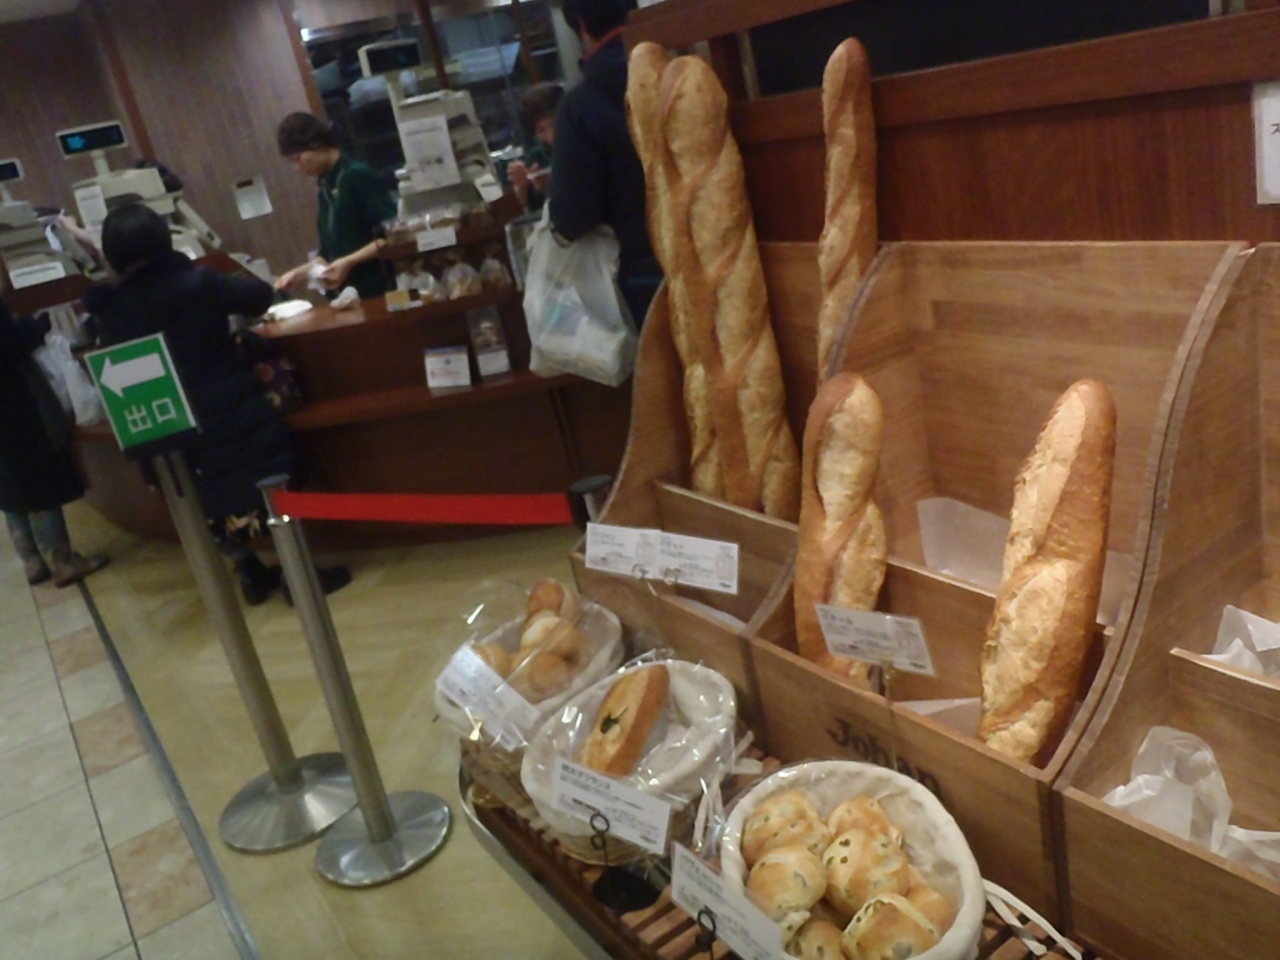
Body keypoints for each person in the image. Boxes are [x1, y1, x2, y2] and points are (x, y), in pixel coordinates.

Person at [85, 204, 350, 605]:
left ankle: (249, 572)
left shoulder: (111, 311)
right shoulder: (197, 283)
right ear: (163, 238)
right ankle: (299, 578)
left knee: (202, 499)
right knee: (266, 489)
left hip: (170, 424)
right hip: (228, 407)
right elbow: (259, 296)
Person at [550, 0, 662, 325]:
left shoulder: (580, 107)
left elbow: (573, 217)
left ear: (582, 27)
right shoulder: (679, 66)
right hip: (712, 248)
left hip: (643, 273)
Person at [0, 291, 107, 587]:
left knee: (9, 487)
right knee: (38, 483)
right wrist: (37, 325)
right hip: (14, 405)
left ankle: (32, 562)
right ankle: (63, 562)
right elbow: (10, 341)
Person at [273, 113, 397, 301]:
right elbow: (327, 254)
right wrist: (300, 273)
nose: (297, 167)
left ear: (315, 143)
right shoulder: (326, 188)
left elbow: (391, 236)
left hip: (378, 292)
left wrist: (349, 262)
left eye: (298, 158)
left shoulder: (356, 176)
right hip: (347, 297)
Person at [506, 82, 564, 212]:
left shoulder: (585, 146)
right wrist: (523, 187)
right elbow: (531, 209)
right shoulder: (537, 157)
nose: (551, 135)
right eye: (541, 130)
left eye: (555, 124)